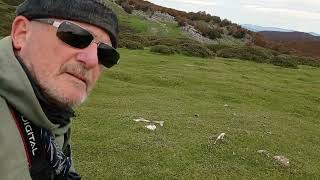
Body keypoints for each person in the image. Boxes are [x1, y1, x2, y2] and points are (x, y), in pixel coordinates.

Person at [0, 0, 120, 179]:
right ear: (22, 34)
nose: (92, 61)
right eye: (75, 36)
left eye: (105, 54)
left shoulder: (52, 113)